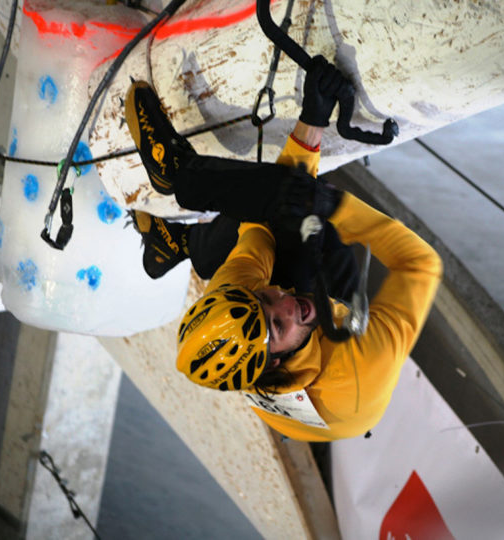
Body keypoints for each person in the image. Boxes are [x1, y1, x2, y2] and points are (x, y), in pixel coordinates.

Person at [124, 57, 442, 442]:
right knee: (317, 237)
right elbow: (421, 265)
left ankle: (176, 230)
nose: (286, 302)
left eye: (265, 298)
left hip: (290, 362)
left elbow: (269, 208)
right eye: (277, 323)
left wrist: (313, 118)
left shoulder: (234, 302)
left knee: (260, 228)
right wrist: (333, 206)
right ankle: (181, 203)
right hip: (346, 387)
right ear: (273, 361)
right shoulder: (364, 363)